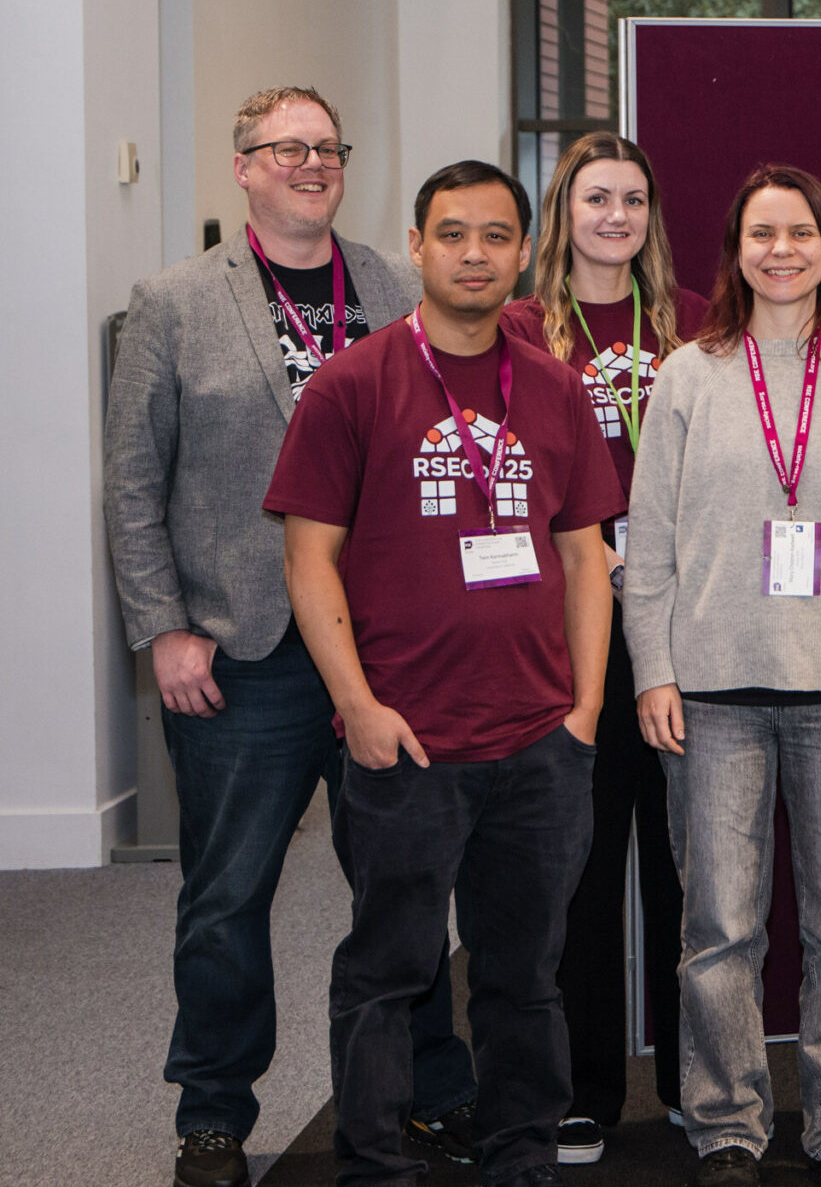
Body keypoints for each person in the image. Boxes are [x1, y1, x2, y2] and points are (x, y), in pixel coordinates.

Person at [104, 86, 473, 1187]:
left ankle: (422, 1096)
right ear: (245, 167)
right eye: (287, 149)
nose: (312, 163)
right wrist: (162, 628)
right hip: (243, 652)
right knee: (226, 898)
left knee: (406, 889)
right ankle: (213, 1113)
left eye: (328, 147)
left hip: (385, 651)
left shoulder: (397, 289)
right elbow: (131, 482)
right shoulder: (171, 303)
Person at [265, 160, 621, 1187]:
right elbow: (307, 556)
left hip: (538, 748)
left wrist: (585, 710)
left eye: (496, 236)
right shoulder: (351, 385)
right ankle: (373, 1164)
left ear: (522, 252)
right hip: (405, 742)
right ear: (415, 247)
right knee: (389, 973)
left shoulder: (555, 389)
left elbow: (586, 555)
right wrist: (357, 708)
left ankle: (521, 1161)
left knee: (523, 978)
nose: (475, 254)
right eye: (453, 234)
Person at [625, 165, 821, 1187]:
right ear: (735, 249)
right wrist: (651, 673)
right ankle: (727, 1127)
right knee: (717, 928)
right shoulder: (688, 375)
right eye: (763, 234)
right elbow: (650, 542)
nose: (782, 251)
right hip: (709, 694)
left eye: (801, 232)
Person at [500, 131, 710, 1164]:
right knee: (577, 870)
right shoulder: (519, 329)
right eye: (595, 200)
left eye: (632, 199)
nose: (615, 217)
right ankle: (583, 1088)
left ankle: (690, 1079)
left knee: (688, 867)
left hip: (684, 630)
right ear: (564, 214)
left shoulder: (701, 327)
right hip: (571, 631)